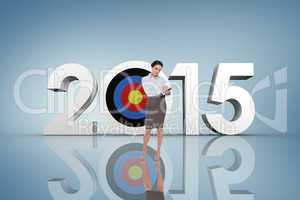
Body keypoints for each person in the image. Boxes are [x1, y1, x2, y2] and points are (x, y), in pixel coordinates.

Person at [140, 60, 171, 193]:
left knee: (160, 128)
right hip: (151, 102)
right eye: (156, 68)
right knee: (147, 129)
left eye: (159, 69)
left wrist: (166, 91)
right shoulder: (144, 79)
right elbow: (148, 90)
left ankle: (158, 151)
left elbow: (167, 91)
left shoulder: (163, 79)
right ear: (152, 68)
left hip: (161, 102)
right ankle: (144, 151)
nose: (157, 71)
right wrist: (161, 90)